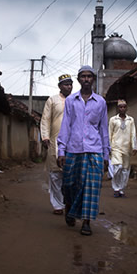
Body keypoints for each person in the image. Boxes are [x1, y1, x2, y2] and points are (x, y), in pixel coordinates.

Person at [56, 65, 109, 236]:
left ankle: (86, 222)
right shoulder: (71, 101)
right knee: (70, 184)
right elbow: (66, 126)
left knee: (91, 187)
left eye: (89, 76)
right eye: (83, 76)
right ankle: (69, 206)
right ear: (79, 79)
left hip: (94, 150)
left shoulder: (101, 102)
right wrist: (61, 151)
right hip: (74, 149)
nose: (86, 79)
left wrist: (106, 154)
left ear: (94, 79)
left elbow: (104, 129)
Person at [40, 73, 73, 214]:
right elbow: (45, 119)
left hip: (73, 142)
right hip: (55, 141)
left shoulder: (75, 100)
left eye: (70, 84)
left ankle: (69, 202)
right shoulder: (52, 100)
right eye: (66, 84)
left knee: (71, 174)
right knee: (55, 173)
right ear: (59, 86)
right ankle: (58, 205)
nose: (69, 87)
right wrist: (45, 136)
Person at [108, 99, 137, 198]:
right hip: (116, 147)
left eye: (124, 107)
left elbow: (133, 133)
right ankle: (116, 188)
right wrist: (108, 146)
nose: (122, 109)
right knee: (118, 166)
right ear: (117, 108)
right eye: (120, 107)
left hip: (127, 148)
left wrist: (134, 146)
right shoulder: (113, 120)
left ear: (126, 108)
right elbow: (109, 133)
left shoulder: (130, 120)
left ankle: (121, 189)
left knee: (125, 170)